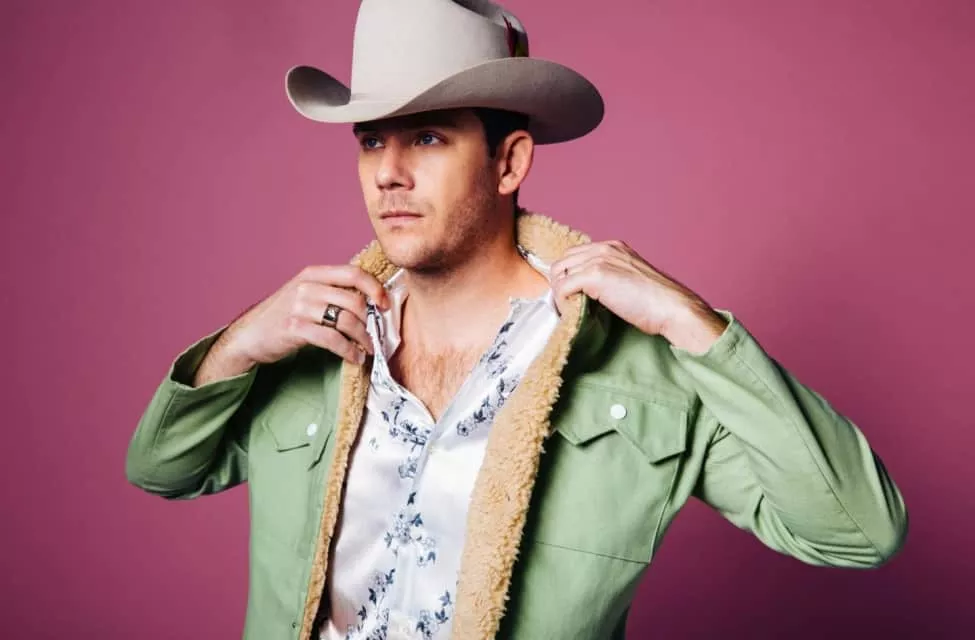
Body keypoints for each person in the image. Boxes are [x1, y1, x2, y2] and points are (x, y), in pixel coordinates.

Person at [125, 1, 908, 639]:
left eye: (427, 137)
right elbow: (163, 470)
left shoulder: (634, 372)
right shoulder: (315, 338)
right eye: (370, 141)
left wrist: (693, 323)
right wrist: (236, 346)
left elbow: (857, 532)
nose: (388, 173)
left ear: (509, 162)